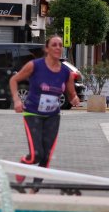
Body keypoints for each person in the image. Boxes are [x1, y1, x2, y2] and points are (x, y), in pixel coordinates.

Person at [9, 35, 80, 185]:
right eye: (54, 45)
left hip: (52, 117)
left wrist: (74, 99)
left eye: (60, 45)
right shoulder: (35, 66)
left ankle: (34, 189)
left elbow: (72, 93)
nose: (57, 47)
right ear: (46, 49)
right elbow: (14, 80)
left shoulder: (66, 73)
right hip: (32, 113)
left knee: (46, 156)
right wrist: (17, 100)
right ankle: (23, 163)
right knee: (36, 154)